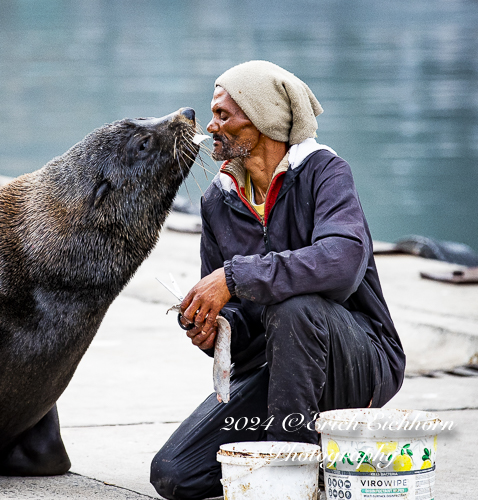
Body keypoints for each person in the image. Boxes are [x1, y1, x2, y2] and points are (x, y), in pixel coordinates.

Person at [150, 61, 406, 500]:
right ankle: (314, 454)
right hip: (277, 369)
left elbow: (341, 264)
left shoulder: (326, 173)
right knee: (174, 473)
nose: (211, 126)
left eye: (224, 116)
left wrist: (235, 277)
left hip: (358, 361)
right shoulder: (217, 201)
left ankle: (289, 474)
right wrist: (215, 328)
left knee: (296, 305)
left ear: (264, 118)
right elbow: (236, 313)